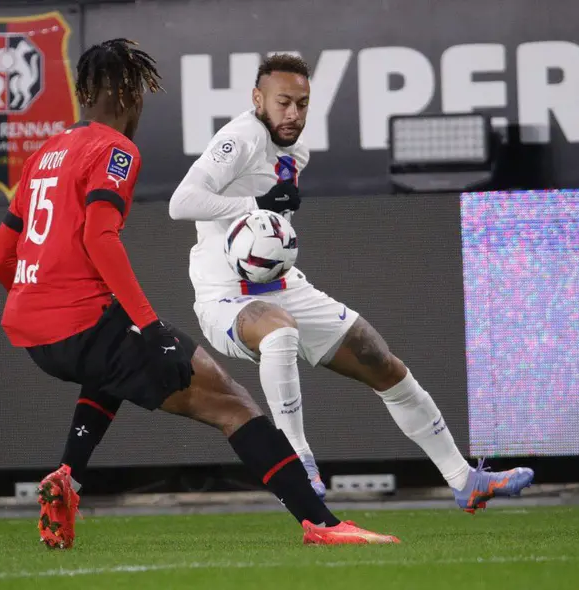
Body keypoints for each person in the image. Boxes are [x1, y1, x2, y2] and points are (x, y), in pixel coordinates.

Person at [0, 39, 398, 548]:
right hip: (82, 323)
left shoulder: (44, 153)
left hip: (33, 331)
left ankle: (68, 476)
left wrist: (40, 299)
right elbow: (99, 236)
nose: (140, 108)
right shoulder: (114, 149)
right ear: (126, 93)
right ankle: (325, 524)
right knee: (234, 404)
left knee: (111, 368)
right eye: (139, 94)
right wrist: (150, 323)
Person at [167, 53, 534, 509]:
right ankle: (297, 459)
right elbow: (181, 202)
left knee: (378, 359)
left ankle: (464, 480)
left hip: (282, 285)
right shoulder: (240, 138)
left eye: (302, 104)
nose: (294, 114)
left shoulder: (296, 151)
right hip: (226, 297)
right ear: (257, 99)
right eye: (283, 102)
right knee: (279, 331)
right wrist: (254, 203)